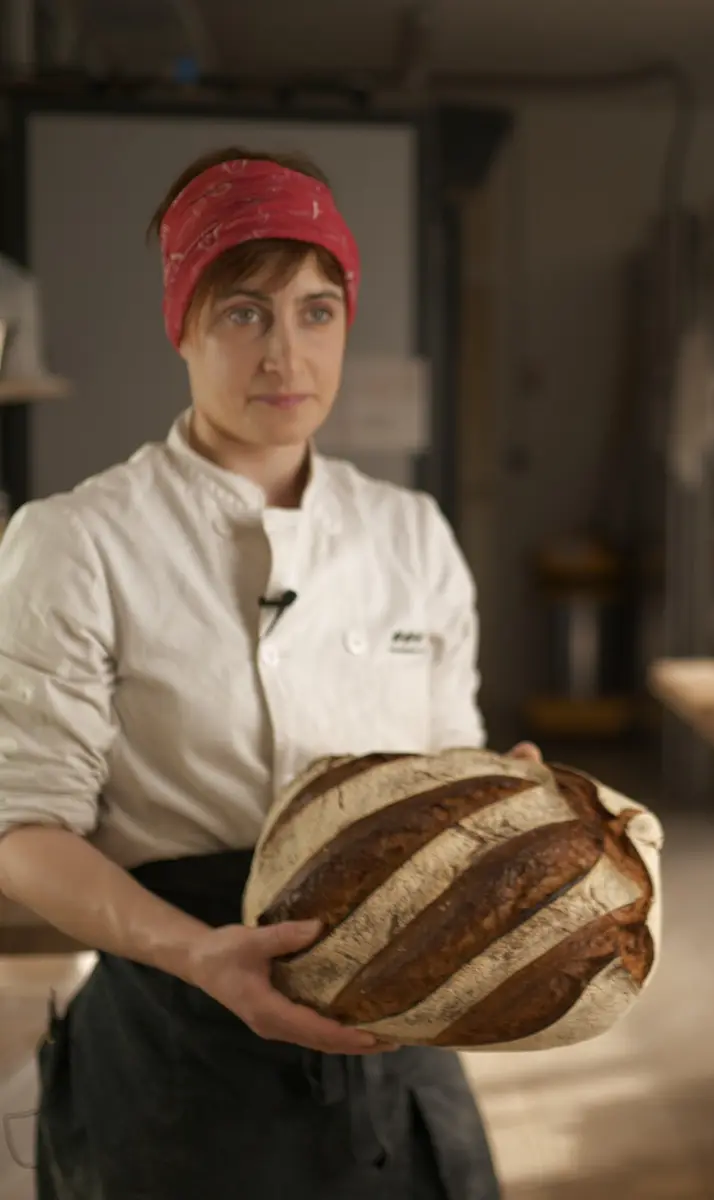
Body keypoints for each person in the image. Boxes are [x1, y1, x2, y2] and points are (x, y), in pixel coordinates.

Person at [0, 146, 538, 1199]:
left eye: (317, 310)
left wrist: (501, 806)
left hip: (399, 1032)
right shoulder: (77, 542)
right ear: (185, 327)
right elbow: (22, 837)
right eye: (244, 312)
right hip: (180, 1037)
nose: (285, 354)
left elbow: (446, 780)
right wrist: (202, 957)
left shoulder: (410, 534)